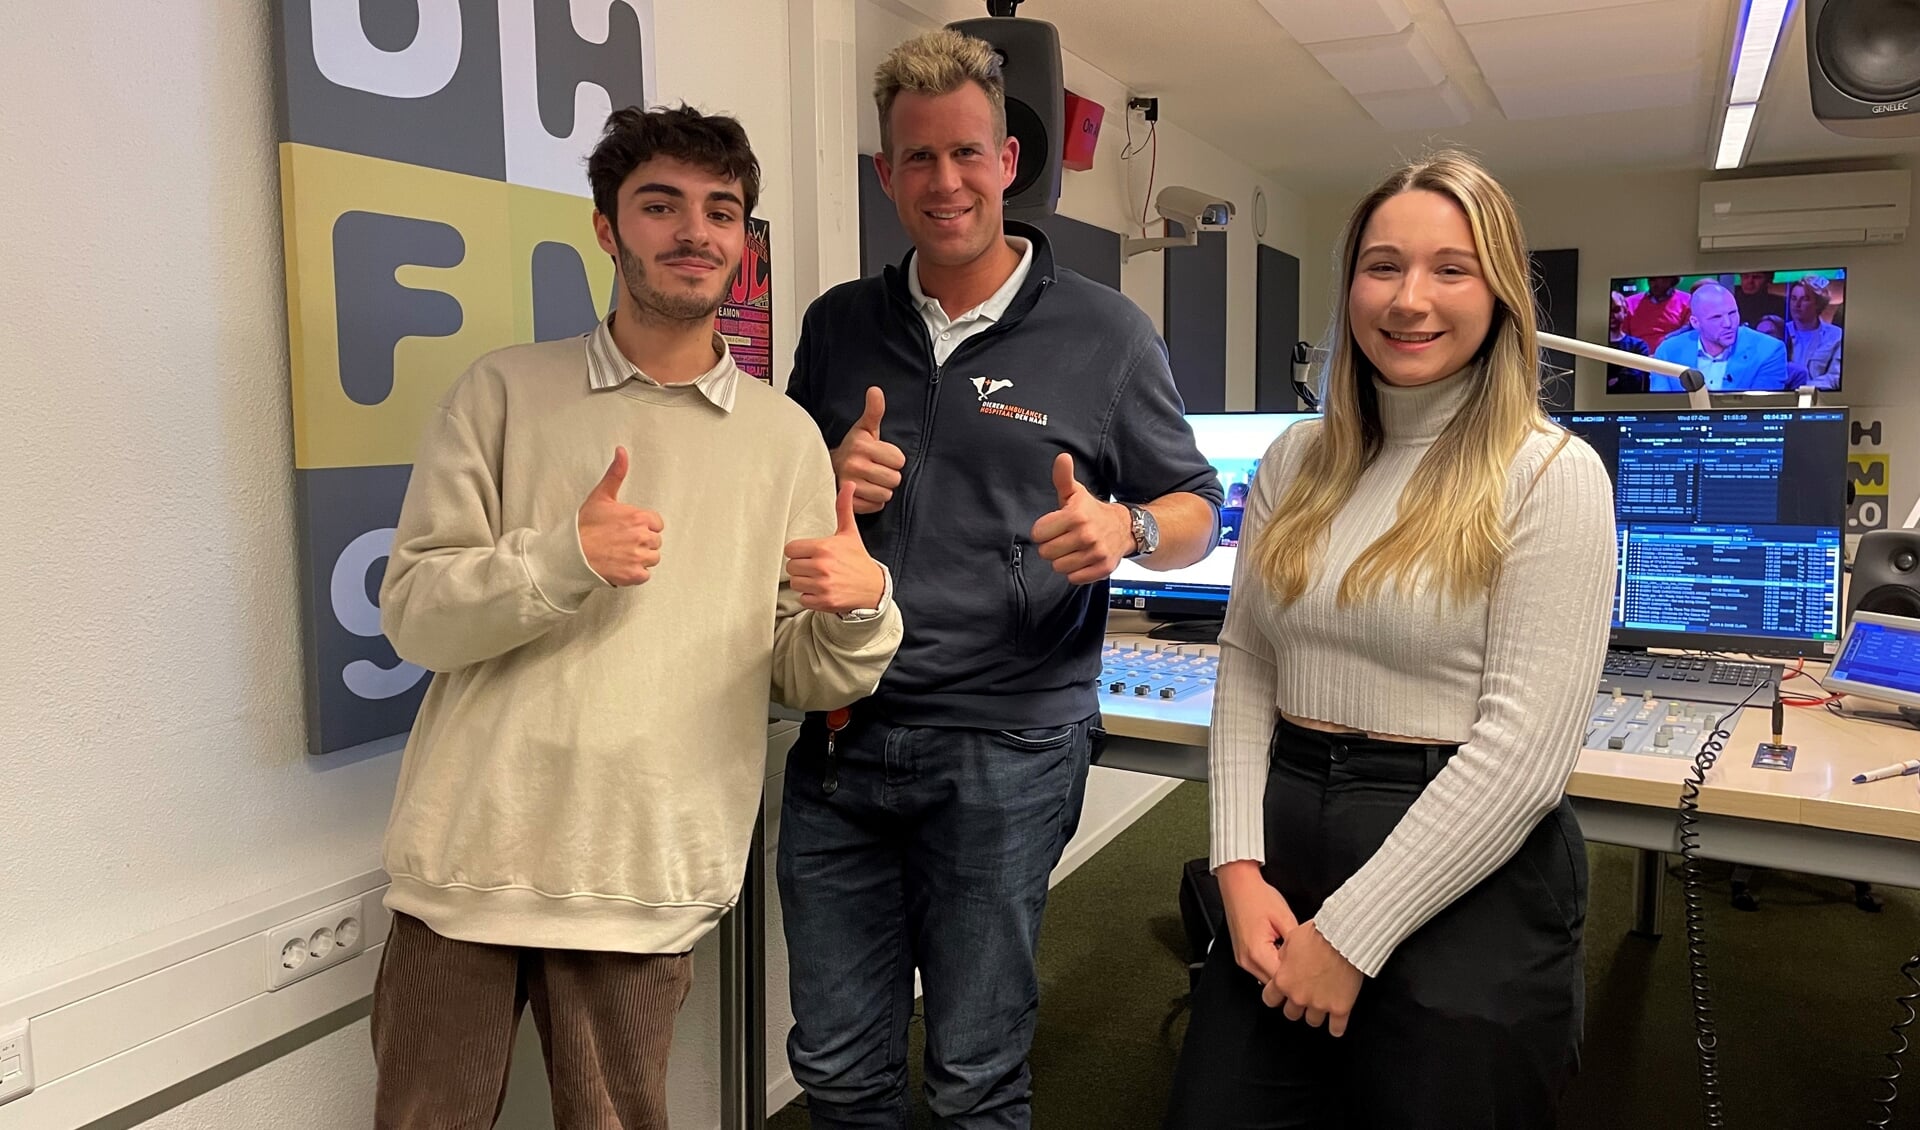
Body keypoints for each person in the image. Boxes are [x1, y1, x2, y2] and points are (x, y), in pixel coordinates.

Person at [371, 106, 902, 1129]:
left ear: (744, 245)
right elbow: (416, 616)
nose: (693, 231)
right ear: (609, 230)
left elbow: (800, 671)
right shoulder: (502, 392)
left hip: (646, 867)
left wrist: (861, 606)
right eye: (660, 205)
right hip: (465, 865)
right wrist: (562, 558)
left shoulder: (785, 438)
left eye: (721, 210)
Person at [779, 27, 1224, 1130]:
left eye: (967, 154)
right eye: (918, 159)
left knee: (975, 1074)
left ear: (1009, 162)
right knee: (838, 1068)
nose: (945, 182)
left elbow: (1199, 511)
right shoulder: (840, 324)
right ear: (887, 173)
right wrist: (823, 475)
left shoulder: (1107, 332)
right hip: (843, 738)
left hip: (1008, 745)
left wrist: (1124, 526)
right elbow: (781, 506)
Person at [1161, 151, 1617, 1128]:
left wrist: (1352, 937)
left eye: (1450, 268)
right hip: (1287, 839)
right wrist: (1238, 868)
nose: (1410, 298)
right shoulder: (1295, 457)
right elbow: (1247, 659)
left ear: (1498, 291)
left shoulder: (1552, 475)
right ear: (1350, 287)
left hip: (1467, 859)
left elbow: (1523, 758)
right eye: (1383, 266)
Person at [1650, 280, 1788, 391]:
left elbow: (1761, 412)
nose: (1728, 323)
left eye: (1732, 313)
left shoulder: (1769, 350)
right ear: (1696, 322)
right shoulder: (1667, 352)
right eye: (1716, 317)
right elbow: (1663, 411)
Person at [1784, 275, 1843, 389]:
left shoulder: (1836, 336)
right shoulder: (1780, 331)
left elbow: (1835, 377)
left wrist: (1803, 388)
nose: (1797, 305)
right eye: (1793, 298)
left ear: (1818, 304)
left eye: (1805, 299)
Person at [1621, 274, 1689, 351]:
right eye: (1651, 279)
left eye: (1657, 278)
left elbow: (1686, 335)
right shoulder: (1629, 302)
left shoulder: (1687, 301)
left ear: (1671, 279)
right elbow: (1623, 337)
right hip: (1637, 357)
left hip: (1672, 356)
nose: (1652, 283)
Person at [1604, 289, 1651, 394]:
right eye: (1607, 310)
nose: (1611, 315)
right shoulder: (1591, 344)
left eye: (1616, 310)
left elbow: (1633, 380)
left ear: (1625, 312)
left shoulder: (1638, 346)